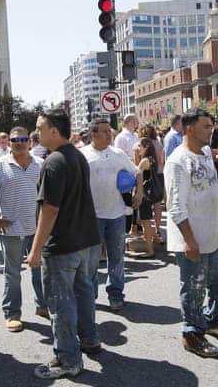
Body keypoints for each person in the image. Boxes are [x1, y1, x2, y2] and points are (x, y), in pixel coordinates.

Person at [27, 109, 101, 380]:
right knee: (83, 293)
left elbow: (50, 209)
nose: (36, 133)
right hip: (85, 240)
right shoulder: (76, 155)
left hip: (64, 244)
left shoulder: (55, 161)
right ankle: (90, 339)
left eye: (40, 128)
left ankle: (68, 358)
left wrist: (35, 250)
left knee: (61, 303)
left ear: (54, 131)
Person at [165, 107, 218, 359]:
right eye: (207, 126)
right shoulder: (177, 161)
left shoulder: (206, 152)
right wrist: (189, 240)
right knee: (194, 289)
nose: (212, 130)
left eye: (212, 125)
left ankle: (214, 321)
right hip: (191, 239)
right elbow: (175, 207)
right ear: (190, 129)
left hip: (213, 234)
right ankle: (192, 335)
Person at [0, 127, 47, 332]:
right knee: (13, 273)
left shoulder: (41, 165)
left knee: (40, 269)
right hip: (11, 230)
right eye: (15, 139)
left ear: (30, 142)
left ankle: (42, 305)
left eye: (24, 139)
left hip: (36, 229)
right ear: (9, 142)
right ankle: (12, 313)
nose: (20, 143)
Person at [81, 118, 142, 311]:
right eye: (105, 131)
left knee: (117, 258)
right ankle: (90, 295)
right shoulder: (82, 156)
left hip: (116, 215)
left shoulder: (118, 153)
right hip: (91, 218)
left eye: (110, 131)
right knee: (90, 261)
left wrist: (139, 191)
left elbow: (137, 172)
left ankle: (115, 294)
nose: (109, 134)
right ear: (93, 134)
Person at [132, 137, 161, 258]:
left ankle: (150, 250)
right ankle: (157, 239)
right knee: (144, 221)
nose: (137, 148)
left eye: (139, 146)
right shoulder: (152, 159)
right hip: (149, 194)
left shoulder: (144, 161)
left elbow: (137, 174)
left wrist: (136, 193)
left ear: (146, 147)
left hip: (144, 194)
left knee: (145, 222)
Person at [137, 124, 165, 244]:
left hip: (145, 177)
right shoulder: (158, 143)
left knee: (145, 211)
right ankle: (157, 230)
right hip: (158, 175)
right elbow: (162, 161)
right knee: (157, 204)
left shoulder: (140, 144)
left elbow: (137, 166)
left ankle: (147, 234)